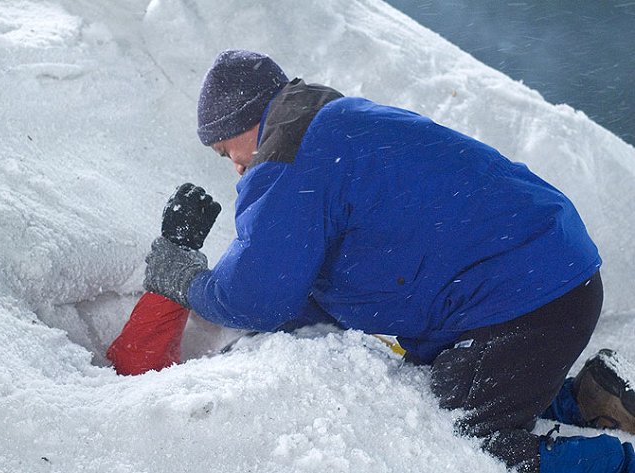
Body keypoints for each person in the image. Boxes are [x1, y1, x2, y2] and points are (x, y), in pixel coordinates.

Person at [138, 50, 635, 472]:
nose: (235, 165)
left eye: (228, 148)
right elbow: (312, 279)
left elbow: (256, 296)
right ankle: (587, 399)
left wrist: (186, 279)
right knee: (460, 382)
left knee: (463, 439)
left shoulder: (289, 155)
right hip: (544, 271)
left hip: (525, 294)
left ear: (248, 119)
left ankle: (618, 460)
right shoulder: (333, 123)